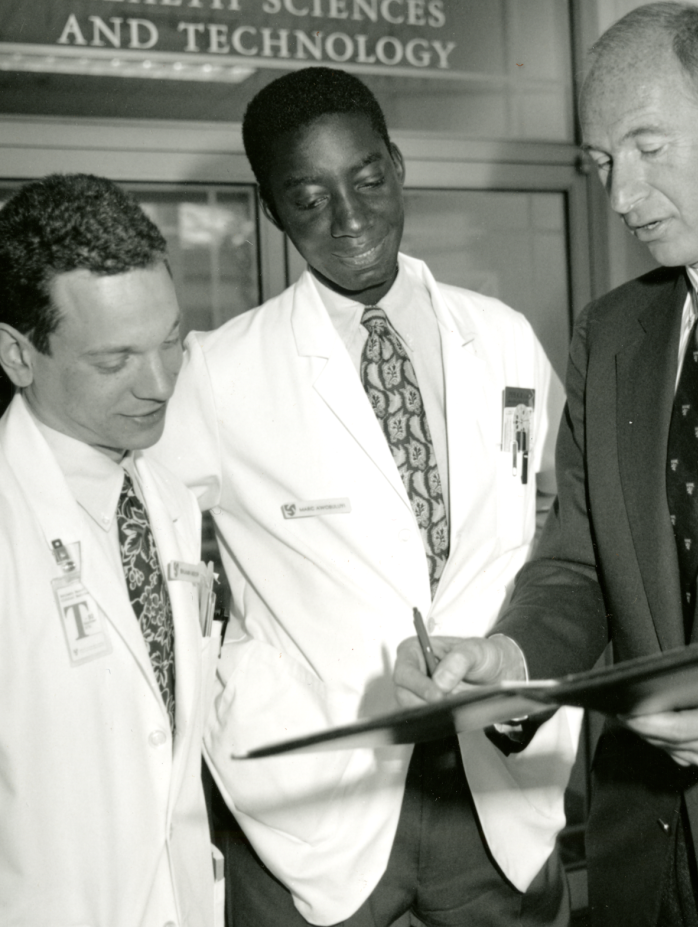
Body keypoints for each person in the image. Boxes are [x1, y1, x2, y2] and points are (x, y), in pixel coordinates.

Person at [153, 66, 580, 927]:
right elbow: (148, 551)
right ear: (271, 211)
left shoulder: (499, 338)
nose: (349, 220)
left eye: (368, 180)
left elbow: (566, 532)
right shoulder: (222, 371)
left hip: (494, 786)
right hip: (316, 795)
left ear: (398, 165)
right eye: (308, 199)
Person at [394, 4, 698, 927]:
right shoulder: (611, 334)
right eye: (602, 164)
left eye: (647, 147)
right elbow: (579, 563)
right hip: (643, 857)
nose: (621, 195)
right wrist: (510, 657)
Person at [0, 173, 221, 927]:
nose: (159, 384)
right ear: (18, 355)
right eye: (114, 360)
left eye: (170, 343)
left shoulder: (169, 501)